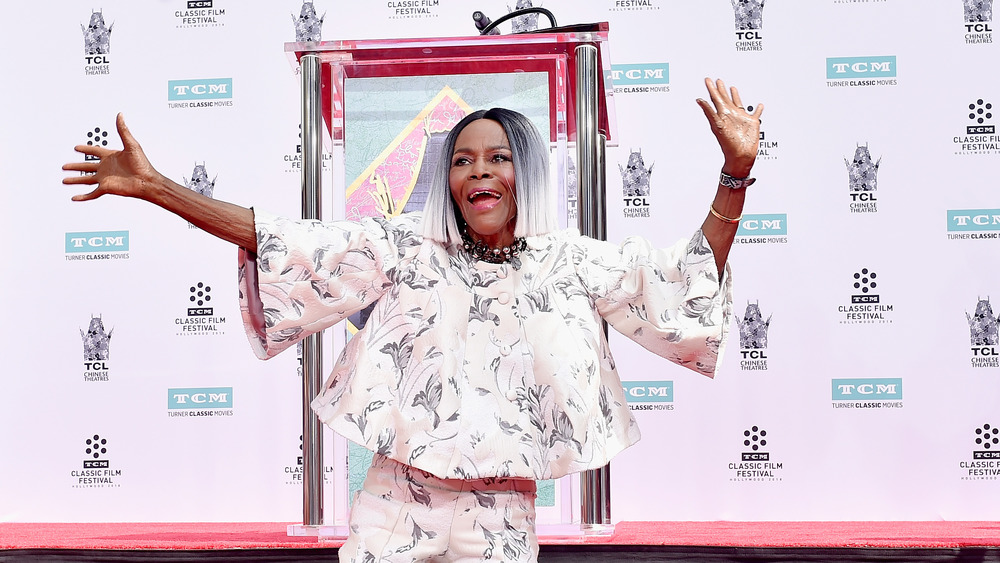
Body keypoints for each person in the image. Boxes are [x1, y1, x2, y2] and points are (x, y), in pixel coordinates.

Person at [63, 78, 763, 563]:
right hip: (395, 502)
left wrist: (733, 174)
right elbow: (279, 238)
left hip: (503, 515)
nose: (478, 172)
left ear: (528, 169)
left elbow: (681, 284)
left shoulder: (571, 261)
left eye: (496, 157)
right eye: (461, 159)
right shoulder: (402, 249)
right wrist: (156, 188)